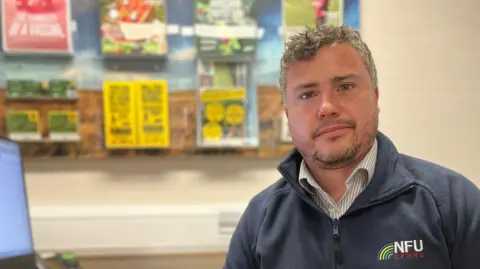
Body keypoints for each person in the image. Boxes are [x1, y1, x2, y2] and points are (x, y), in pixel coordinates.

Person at [223, 24, 480, 268]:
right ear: (288, 115)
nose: (327, 107)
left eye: (345, 86)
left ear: (375, 97)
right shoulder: (260, 220)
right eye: (308, 94)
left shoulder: (453, 203)